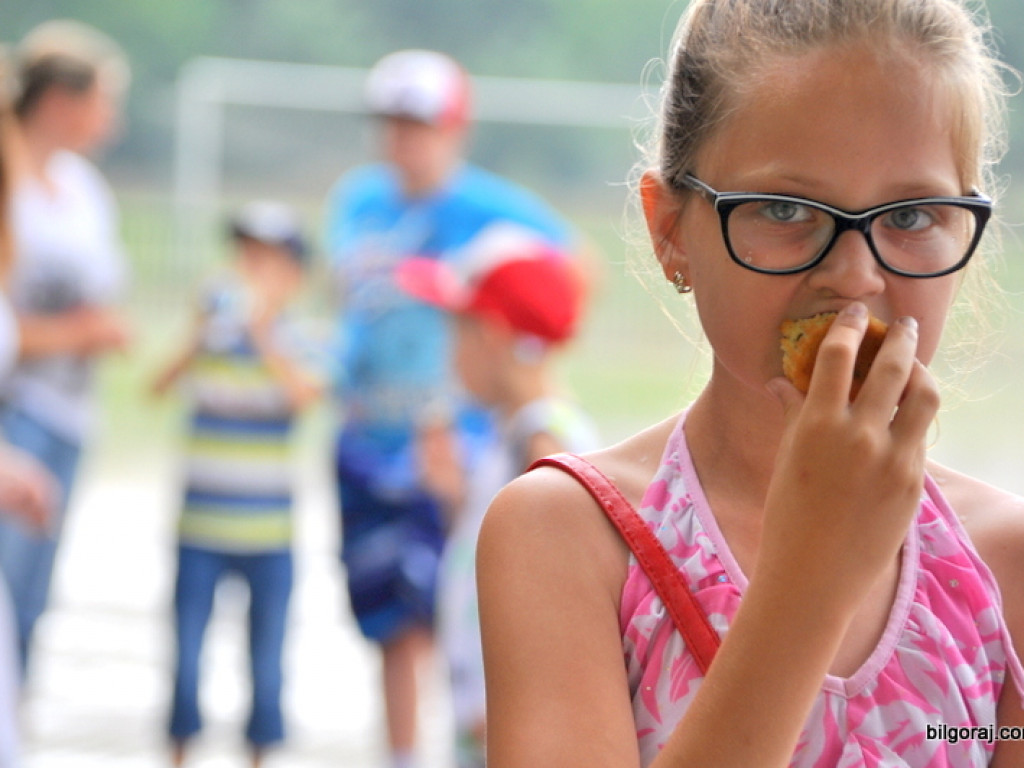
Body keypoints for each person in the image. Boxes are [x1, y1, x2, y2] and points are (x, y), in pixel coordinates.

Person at [478, 1, 1024, 766]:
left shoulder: (1004, 567)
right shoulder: (570, 540)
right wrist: (811, 580)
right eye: (784, 208)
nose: (855, 274)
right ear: (670, 230)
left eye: (911, 215)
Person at [323, 49, 578, 768]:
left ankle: (480, 736)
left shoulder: (489, 207)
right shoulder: (357, 200)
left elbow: (566, 275)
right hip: (370, 438)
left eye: (420, 124)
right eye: (392, 123)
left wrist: (529, 366)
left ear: (454, 129)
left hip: (457, 435)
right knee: (390, 619)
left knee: (457, 604)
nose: (403, 139)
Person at [397, 222, 600, 767]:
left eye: (455, 332)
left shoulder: (541, 440)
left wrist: (523, 705)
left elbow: (561, 592)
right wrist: (456, 497)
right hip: (492, 712)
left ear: (489, 332)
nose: (448, 353)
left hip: (510, 721)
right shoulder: (509, 432)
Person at [150, 200, 322, 767]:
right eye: (244, 256)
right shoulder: (210, 338)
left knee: (267, 660)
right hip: (199, 527)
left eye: (266, 261)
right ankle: (178, 752)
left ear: (292, 276)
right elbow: (156, 387)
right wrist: (199, 335)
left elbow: (304, 397)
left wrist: (265, 335)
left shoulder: (296, 340)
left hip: (267, 534)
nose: (250, 270)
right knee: (186, 656)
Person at [0, 19, 132, 677]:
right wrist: (73, 332)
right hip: (13, 410)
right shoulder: (10, 187)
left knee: (27, 607)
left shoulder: (81, 188)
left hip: (68, 412)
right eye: (103, 101)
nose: (111, 120)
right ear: (60, 100)